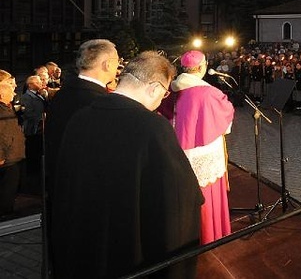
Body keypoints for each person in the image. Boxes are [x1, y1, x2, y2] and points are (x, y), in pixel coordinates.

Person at [51, 51, 203, 278]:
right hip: (128, 251)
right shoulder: (153, 128)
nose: (160, 102)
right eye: (162, 95)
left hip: (84, 241)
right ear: (153, 88)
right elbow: (177, 200)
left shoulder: (80, 118)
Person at [158, 50, 235, 244]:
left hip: (177, 152)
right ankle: (209, 235)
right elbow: (226, 114)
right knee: (205, 194)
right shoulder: (209, 93)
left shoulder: (170, 91)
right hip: (204, 152)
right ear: (201, 67)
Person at [45, 39, 119, 204]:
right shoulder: (100, 103)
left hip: (60, 185)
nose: (118, 67)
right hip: (87, 193)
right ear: (107, 64)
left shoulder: (63, 94)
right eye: (117, 61)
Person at [0, 81, 25, 218]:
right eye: (11, 90)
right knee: (7, 187)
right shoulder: (2, 111)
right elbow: (2, 134)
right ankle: (5, 212)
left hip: (12, 156)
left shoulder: (7, 108)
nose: (14, 93)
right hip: (7, 159)